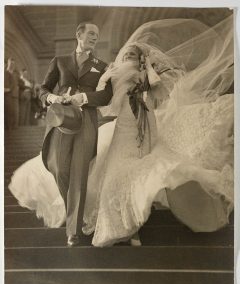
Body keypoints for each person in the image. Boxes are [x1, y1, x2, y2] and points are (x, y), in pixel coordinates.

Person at [9, 16, 234, 247]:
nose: (127, 56)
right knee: (81, 170)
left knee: (115, 172)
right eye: (90, 35)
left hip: (123, 123)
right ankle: (93, 218)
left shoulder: (126, 71)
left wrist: (140, 72)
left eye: (132, 55)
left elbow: (133, 94)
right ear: (79, 35)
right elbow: (65, 92)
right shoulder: (83, 66)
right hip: (91, 124)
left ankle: (108, 226)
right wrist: (64, 97)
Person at [38, 22, 113, 246]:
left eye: (97, 35)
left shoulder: (102, 66)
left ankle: (74, 230)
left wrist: (86, 98)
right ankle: (74, 211)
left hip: (87, 121)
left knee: (79, 174)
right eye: (91, 33)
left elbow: (107, 95)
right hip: (61, 119)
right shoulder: (59, 61)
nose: (94, 38)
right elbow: (42, 90)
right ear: (78, 35)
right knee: (60, 168)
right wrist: (53, 98)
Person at [4, 58, 21, 130]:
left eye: (13, 64)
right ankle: (9, 128)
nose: (12, 65)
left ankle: (14, 127)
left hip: (15, 95)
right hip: (7, 95)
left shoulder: (15, 74)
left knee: (15, 112)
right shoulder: (5, 72)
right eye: (11, 63)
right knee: (9, 111)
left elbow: (20, 83)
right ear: (8, 63)